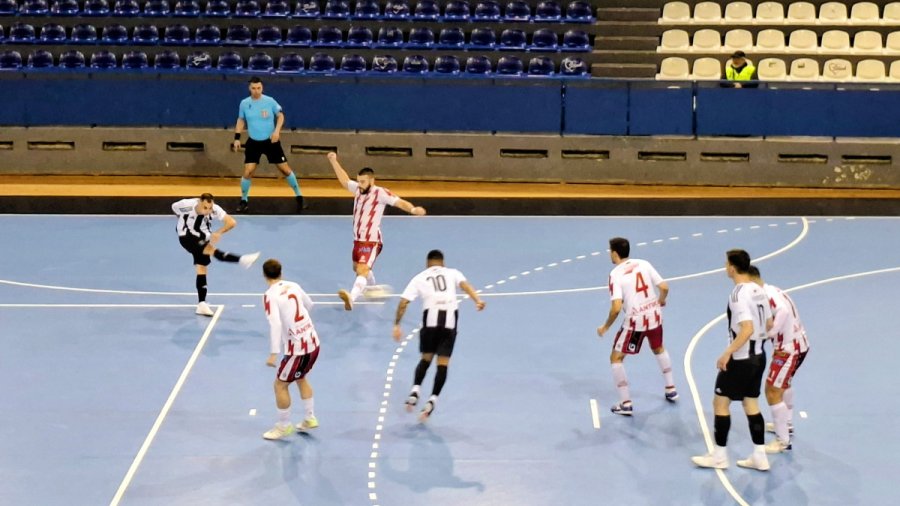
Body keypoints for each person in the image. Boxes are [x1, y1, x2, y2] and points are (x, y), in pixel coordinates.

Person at [692, 249, 773, 471]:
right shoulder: (759, 290)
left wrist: (727, 352)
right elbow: (769, 323)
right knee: (750, 403)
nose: (725, 268)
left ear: (732, 268)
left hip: (741, 358)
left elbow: (746, 329)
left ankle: (719, 456)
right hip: (760, 356)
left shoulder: (738, 294)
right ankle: (760, 455)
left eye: (726, 264)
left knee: (720, 402)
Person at [326, 151, 427, 311]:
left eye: (363, 182)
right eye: (358, 181)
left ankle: (351, 298)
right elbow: (345, 180)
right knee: (357, 268)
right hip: (358, 241)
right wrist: (333, 161)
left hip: (372, 241)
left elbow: (399, 202)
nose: (360, 184)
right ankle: (373, 288)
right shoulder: (358, 190)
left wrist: (413, 209)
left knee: (362, 269)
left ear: (372, 181)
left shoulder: (380, 193)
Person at [393, 249, 485, 421]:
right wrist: (477, 300)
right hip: (450, 321)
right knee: (442, 363)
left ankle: (415, 390)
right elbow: (465, 285)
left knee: (426, 358)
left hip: (431, 320)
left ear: (428, 263)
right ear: (443, 262)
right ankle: (432, 400)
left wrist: (397, 325)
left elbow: (403, 302)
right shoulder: (453, 272)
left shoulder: (420, 277)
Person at [597, 237, 677, 416]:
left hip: (635, 321)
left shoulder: (615, 274)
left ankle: (625, 403)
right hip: (655, 316)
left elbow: (616, 308)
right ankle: (671, 387)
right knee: (658, 347)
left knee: (616, 358)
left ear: (615, 253)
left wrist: (605, 327)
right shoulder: (644, 263)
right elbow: (664, 287)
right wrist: (660, 302)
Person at [748, 266, 811, 454]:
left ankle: (782, 441)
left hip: (788, 349)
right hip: (800, 343)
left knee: (772, 391)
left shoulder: (766, 296)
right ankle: (787, 424)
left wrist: (770, 333)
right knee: (784, 384)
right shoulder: (774, 289)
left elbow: (782, 311)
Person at [260, 258, 321, 440]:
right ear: (281, 272)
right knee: (300, 377)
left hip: (298, 351)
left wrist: (273, 353)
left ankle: (283, 426)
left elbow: (275, 324)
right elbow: (310, 305)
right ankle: (310, 418)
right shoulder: (293, 285)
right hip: (314, 343)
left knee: (279, 385)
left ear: (264, 275)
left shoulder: (270, 295)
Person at [172, 193, 260, 316]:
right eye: (205, 208)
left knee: (201, 267)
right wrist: (183, 221)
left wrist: (219, 232)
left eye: (210, 208)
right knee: (211, 250)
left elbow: (231, 222)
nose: (208, 211)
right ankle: (242, 260)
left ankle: (201, 304)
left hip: (203, 237)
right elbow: (174, 207)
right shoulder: (186, 205)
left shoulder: (215, 209)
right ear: (199, 202)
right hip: (186, 236)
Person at [232, 76, 305, 214]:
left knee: (285, 170)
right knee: (248, 171)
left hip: (271, 142)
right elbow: (241, 120)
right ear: (249, 88)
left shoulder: (270, 101)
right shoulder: (244, 103)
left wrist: (276, 131)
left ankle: (299, 196)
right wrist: (237, 138)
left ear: (262, 87)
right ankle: (244, 200)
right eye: (253, 88)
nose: (256, 91)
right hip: (253, 142)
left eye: (258, 88)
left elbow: (281, 116)